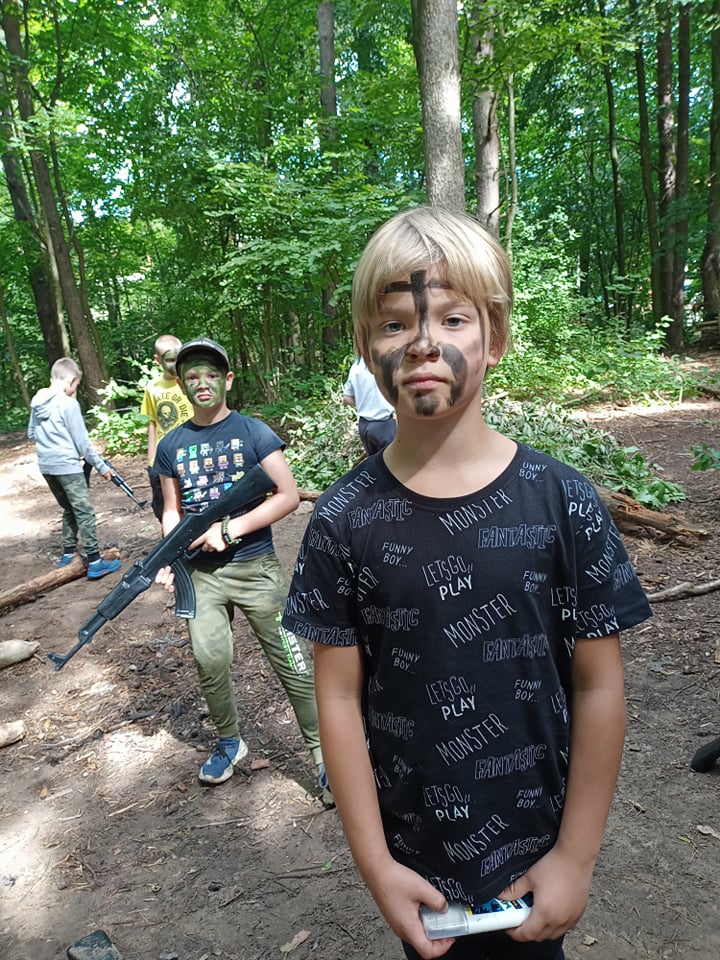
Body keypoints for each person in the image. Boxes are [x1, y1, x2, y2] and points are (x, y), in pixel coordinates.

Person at [282, 207, 652, 960]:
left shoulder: (564, 501)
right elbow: (339, 700)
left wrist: (575, 858)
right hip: (417, 865)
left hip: (534, 858)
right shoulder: (343, 520)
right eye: (394, 325)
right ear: (366, 350)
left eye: (452, 318)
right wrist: (377, 867)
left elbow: (599, 685)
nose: (423, 342)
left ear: (496, 338)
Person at [153, 337, 330, 800]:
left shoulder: (254, 433)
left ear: (228, 379)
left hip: (255, 569)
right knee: (209, 660)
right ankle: (231, 743)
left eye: (212, 374)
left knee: (292, 659)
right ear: (180, 384)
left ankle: (323, 754)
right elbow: (171, 510)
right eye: (192, 376)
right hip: (200, 576)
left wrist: (230, 529)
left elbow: (288, 496)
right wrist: (170, 553)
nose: (202, 383)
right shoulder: (171, 445)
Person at [28, 357, 122, 579]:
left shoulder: (37, 402)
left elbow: (32, 433)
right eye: (76, 385)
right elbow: (83, 444)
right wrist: (102, 467)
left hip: (46, 466)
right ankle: (96, 562)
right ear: (70, 380)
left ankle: (68, 555)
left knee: (69, 508)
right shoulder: (68, 404)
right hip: (67, 467)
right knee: (84, 511)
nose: (74, 390)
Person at [140, 334, 194, 521]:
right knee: (164, 507)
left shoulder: (191, 382)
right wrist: (151, 459)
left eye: (178, 358)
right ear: (158, 360)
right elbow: (153, 423)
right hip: (164, 458)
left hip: (190, 453)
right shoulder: (153, 388)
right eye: (170, 359)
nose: (174, 364)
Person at [342, 356, 397, 455]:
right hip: (384, 425)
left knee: (373, 462)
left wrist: (364, 404)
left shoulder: (356, 366)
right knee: (393, 461)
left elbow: (346, 399)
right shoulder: (385, 364)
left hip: (364, 426)